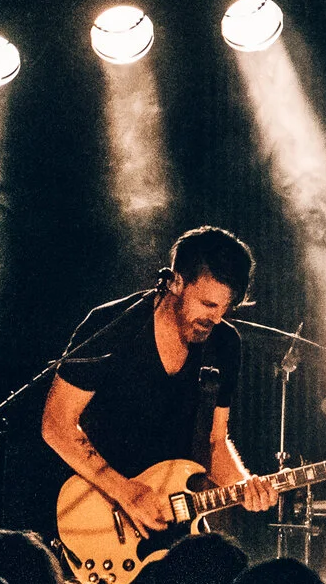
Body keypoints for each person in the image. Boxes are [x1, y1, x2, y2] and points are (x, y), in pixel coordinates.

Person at [40, 226, 278, 539]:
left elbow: (214, 441)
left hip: (172, 519)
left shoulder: (224, 344)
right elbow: (56, 425)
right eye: (208, 304)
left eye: (225, 308)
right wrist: (126, 492)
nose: (216, 318)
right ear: (176, 282)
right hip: (97, 515)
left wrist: (245, 486)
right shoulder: (113, 326)